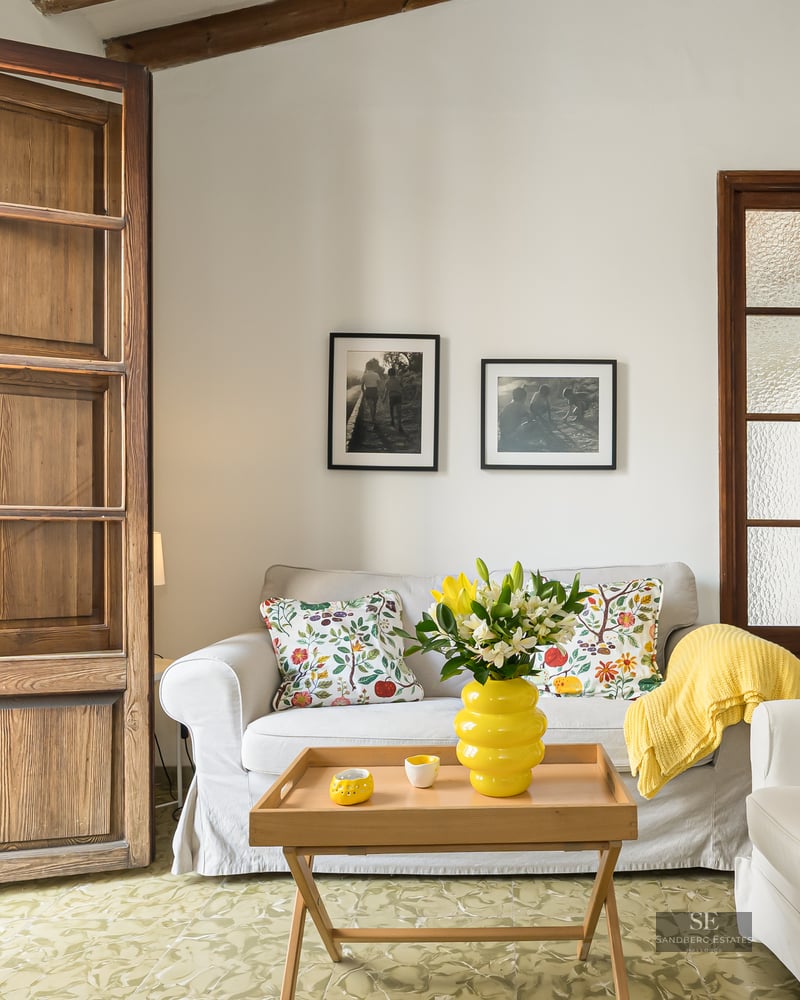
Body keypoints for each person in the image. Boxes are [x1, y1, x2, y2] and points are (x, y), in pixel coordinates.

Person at [498, 386, 528, 450]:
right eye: (525, 397)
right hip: (511, 436)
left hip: (503, 436)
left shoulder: (507, 406)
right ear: (523, 398)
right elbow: (529, 417)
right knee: (531, 423)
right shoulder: (520, 405)